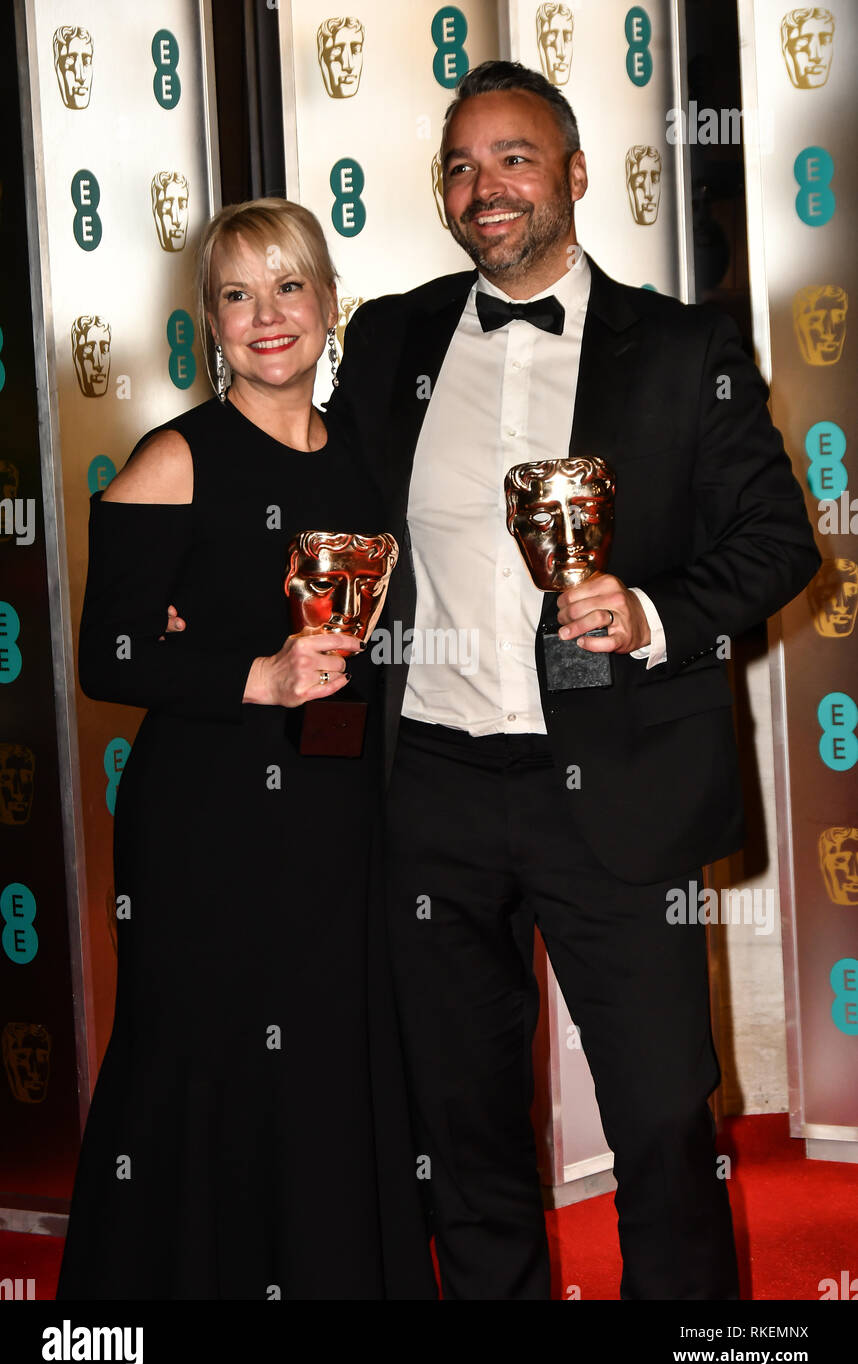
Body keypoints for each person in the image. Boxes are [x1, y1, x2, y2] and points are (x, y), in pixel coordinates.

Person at [327, 61, 821, 1300]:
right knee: (461, 1116)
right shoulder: (391, 333)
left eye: (513, 158)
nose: (482, 187)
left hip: (615, 788)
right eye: (459, 163)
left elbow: (776, 541)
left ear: (575, 176)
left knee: (660, 1115)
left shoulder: (684, 346)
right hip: (430, 786)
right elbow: (318, 506)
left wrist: (650, 610)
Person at [57, 198, 436, 1301]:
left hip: (338, 808)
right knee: (207, 1062)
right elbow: (108, 654)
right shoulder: (174, 457)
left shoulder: (365, 462)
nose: (266, 316)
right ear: (208, 323)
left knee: (329, 1061)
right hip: (209, 829)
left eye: (287, 287)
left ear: (327, 305)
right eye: (236, 294)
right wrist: (249, 672)